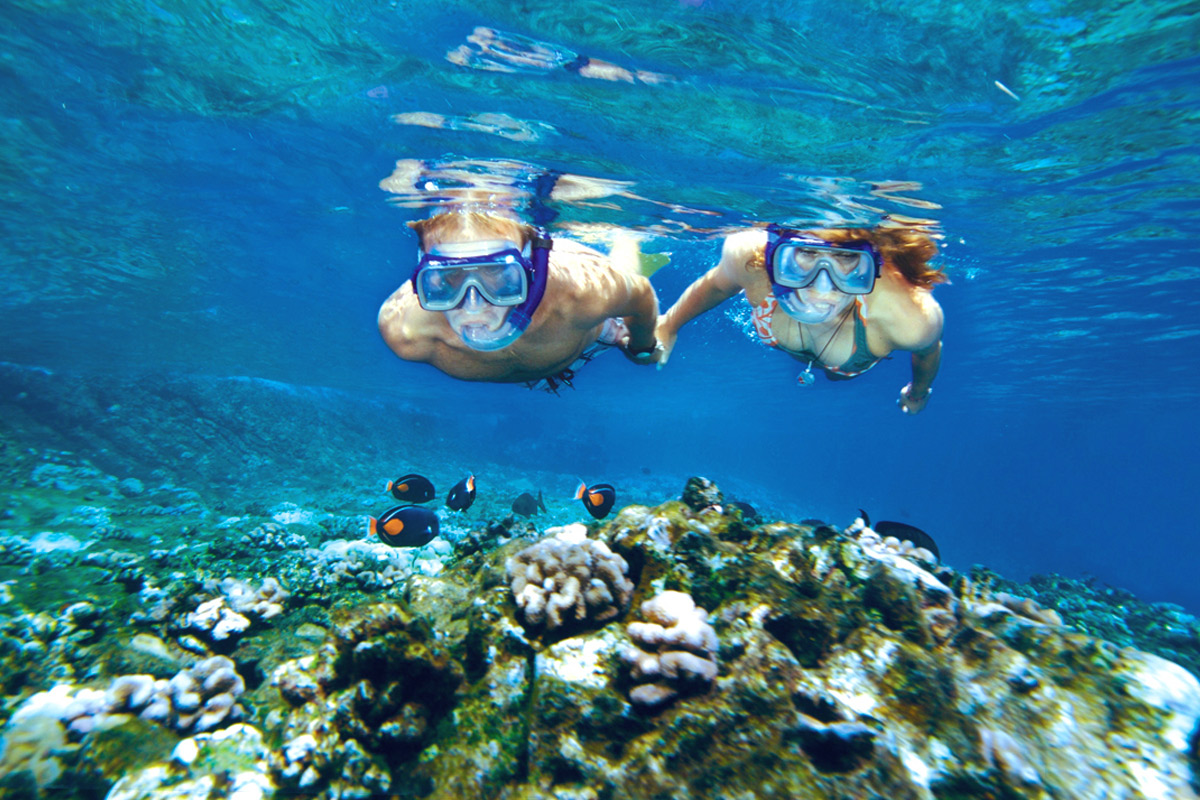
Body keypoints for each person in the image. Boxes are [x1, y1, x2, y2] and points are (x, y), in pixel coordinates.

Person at [656, 224, 947, 414]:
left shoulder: (911, 318)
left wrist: (918, 393)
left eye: (846, 259)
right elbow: (717, 286)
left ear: (869, 265)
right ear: (771, 255)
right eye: (806, 253)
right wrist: (668, 325)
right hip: (825, 346)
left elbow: (928, 352)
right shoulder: (750, 259)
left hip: (849, 361)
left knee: (835, 376)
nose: (822, 288)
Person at [378, 210, 663, 391]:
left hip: (593, 335)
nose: (474, 304)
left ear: (530, 272)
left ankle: (627, 238)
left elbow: (641, 294)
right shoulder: (405, 332)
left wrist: (640, 344)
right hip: (557, 354)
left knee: (624, 268)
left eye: (498, 276)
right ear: (424, 280)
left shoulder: (581, 295)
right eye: (449, 279)